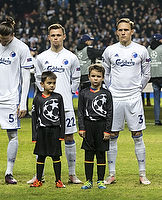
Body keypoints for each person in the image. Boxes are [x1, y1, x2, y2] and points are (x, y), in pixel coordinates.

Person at [0, 16, 33, 184]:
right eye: (0, 39)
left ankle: (9, 172)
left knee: (13, 135)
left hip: (10, 98)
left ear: (13, 35)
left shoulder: (22, 48)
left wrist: (23, 102)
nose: (2, 42)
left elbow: (26, 78)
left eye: (6, 40)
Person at [102, 18, 151, 185]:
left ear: (132, 31)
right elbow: (106, 72)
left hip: (134, 99)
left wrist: (138, 89)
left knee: (137, 136)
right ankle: (112, 174)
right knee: (112, 136)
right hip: (115, 99)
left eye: (126, 30)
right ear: (117, 32)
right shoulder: (109, 50)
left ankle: (142, 174)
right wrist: (109, 90)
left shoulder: (141, 50)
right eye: (120, 30)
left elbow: (146, 74)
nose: (123, 32)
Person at [34, 23, 82, 184]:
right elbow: (37, 79)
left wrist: (69, 93)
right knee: (42, 138)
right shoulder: (41, 58)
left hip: (66, 106)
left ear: (64, 36)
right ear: (49, 37)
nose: (56, 38)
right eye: (53, 35)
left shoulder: (71, 57)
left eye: (58, 35)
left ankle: (72, 174)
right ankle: (38, 175)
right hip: (46, 107)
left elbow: (76, 78)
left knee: (69, 137)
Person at [78, 64, 113, 189]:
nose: (95, 79)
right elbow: (81, 112)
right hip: (88, 126)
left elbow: (110, 113)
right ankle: (88, 181)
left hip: (101, 126)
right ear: (89, 77)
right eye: (93, 76)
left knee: (101, 154)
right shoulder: (83, 93)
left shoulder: (107, 94)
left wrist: (107, 130)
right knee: (88, 154)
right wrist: (81, 127)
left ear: (103, 78)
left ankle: (100, 180)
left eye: (98, 76)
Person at [29, 71, 66, 188]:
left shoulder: (58, 97)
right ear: (42, 84)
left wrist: (62, 134)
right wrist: (34, 136)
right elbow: (34, 118)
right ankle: (38, 180)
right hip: (42, 131)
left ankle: (58, 180)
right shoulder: (38, 98)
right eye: (49, 83)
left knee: (56, 156)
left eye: (54, 83)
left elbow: (62, 116)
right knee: (41, 156)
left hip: (55, 131)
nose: (52, 85)